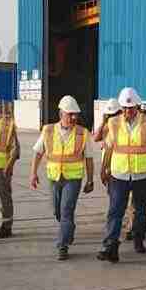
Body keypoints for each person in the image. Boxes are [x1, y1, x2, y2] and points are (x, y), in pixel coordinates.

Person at [98, 87, 146, 262]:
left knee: (140, 210)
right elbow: (108, 148)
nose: (128, 111)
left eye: (131, 108)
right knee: (115, 211)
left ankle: (138, 238)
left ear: (137, 106)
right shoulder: (113, 123)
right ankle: (110, 246)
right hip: (118, 175)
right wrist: (103, 169)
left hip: (142, 176)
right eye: (125, 108)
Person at [29, 96, 94, 260]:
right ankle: (68, 228)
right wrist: (33, 173)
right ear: (61, 114)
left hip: (73, 179)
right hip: (54, 177)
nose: (73, 117)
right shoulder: (48, 130)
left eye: (75, 114)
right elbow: (38, 152)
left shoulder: (82, 133)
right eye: (70, 114)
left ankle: (62, 245)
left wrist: (90, 180)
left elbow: (89, 159)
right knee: (57, 211)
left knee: (66, 210)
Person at [0, 89, 20, 239]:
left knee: (5, 199)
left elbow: (15, 149)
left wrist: (9, 167)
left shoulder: (8, 125)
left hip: (2, 169)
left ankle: (6, 227)